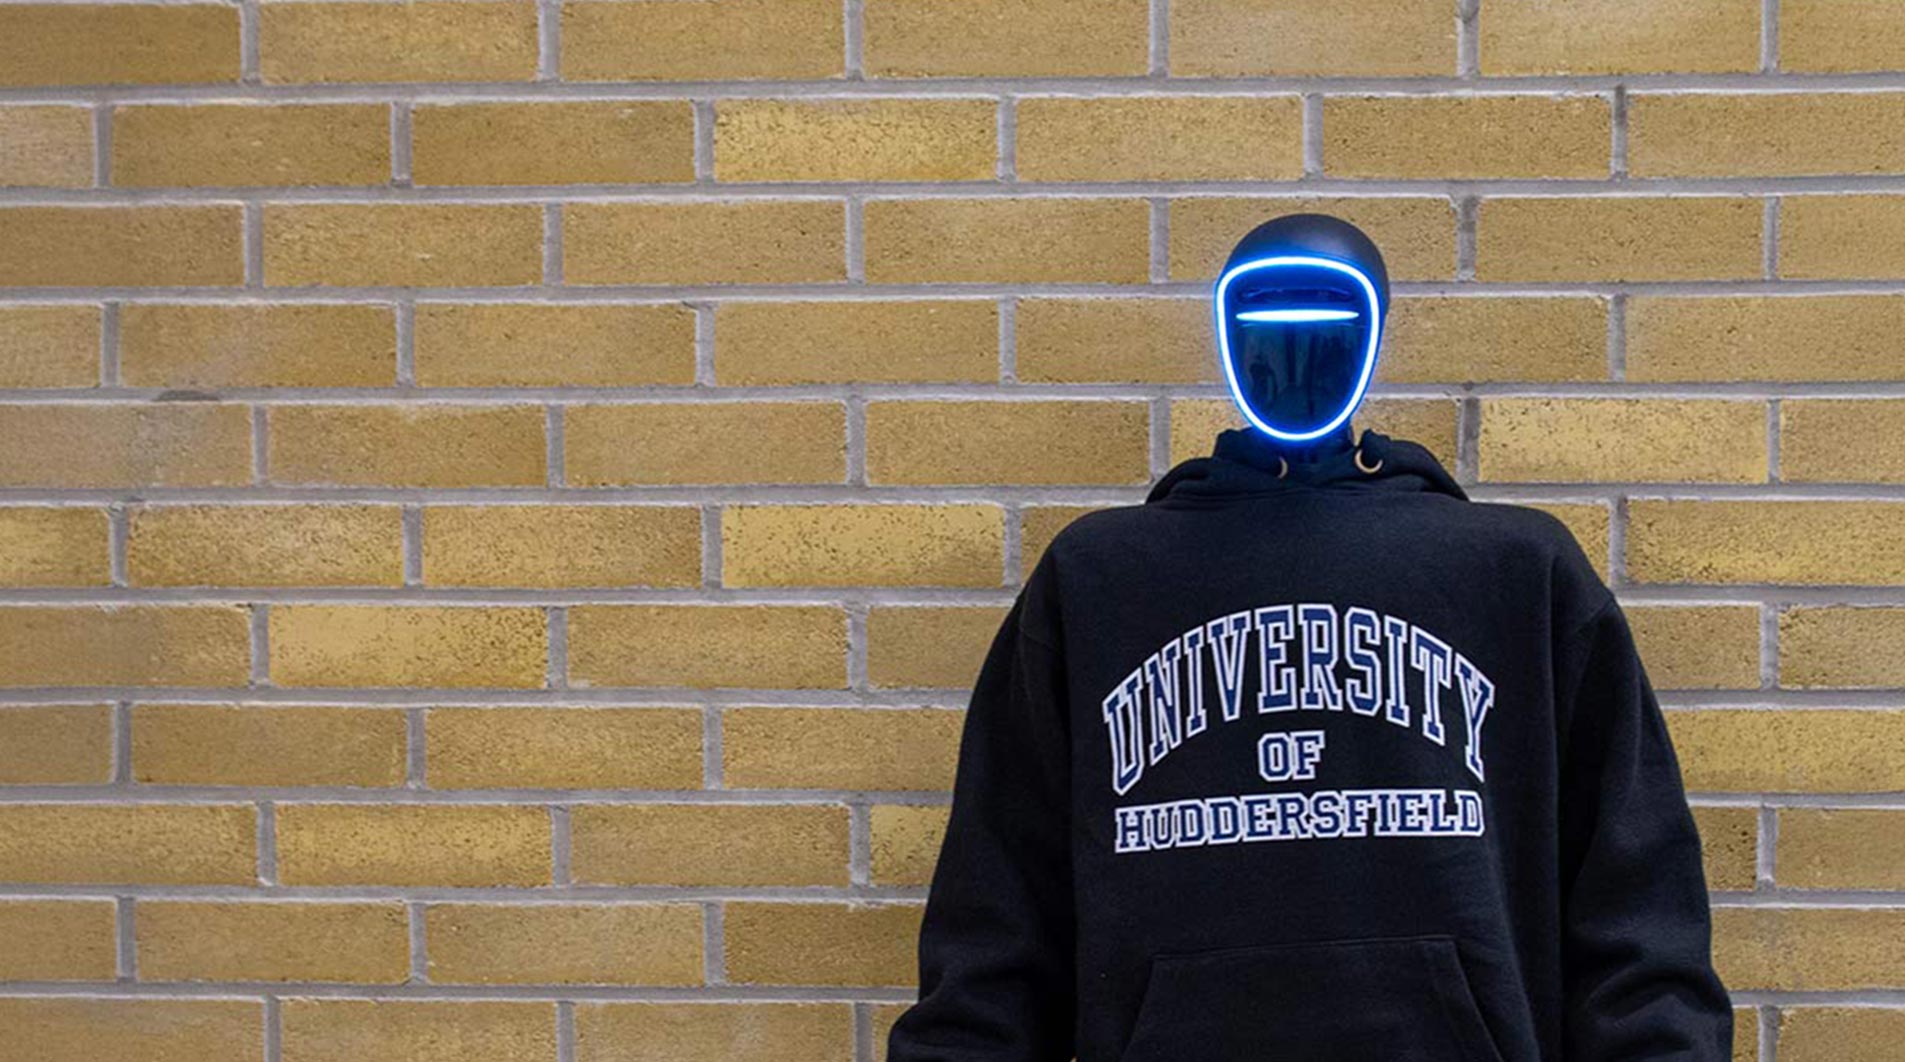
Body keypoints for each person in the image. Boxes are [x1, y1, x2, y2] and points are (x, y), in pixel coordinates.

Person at [884, 215, 1733, 1061]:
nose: (1290, 357)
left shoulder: (1517, 573)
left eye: (1327, 323)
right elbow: (993, 935)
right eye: (1260, 326)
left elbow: (1637, 917)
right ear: (1222, 336)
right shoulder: (1098, 579)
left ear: (1373, 334)